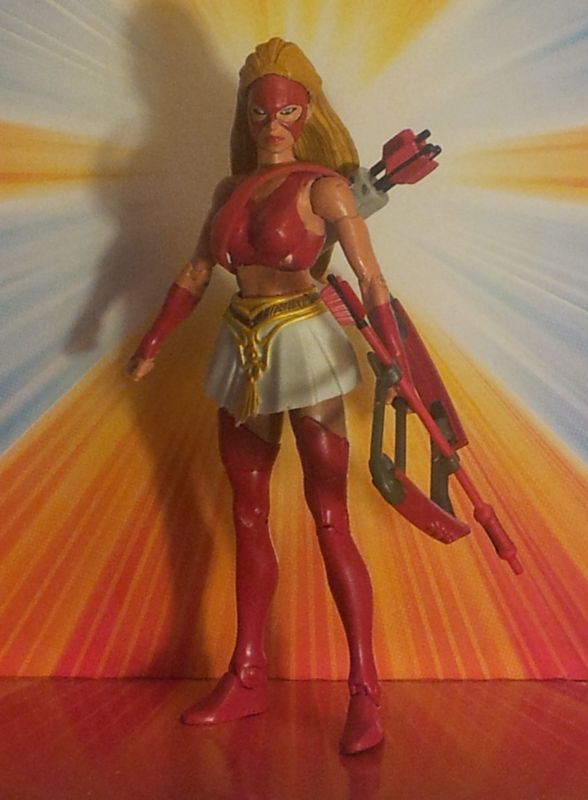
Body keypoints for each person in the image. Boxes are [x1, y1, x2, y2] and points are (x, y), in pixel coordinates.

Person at [128, 37, 412, 755]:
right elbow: (197, 272)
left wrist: (399, 360)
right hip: (241, 346)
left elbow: (372, 279)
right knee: (246, 513)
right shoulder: (228, 191)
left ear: (307, 113)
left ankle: (365, 689)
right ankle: (247, 673)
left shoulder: (327, 188)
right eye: (261, 111)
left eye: (287, 110)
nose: (274, 124)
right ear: (247, 115)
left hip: (305, 344)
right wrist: (154, 339)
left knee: (329, 514)